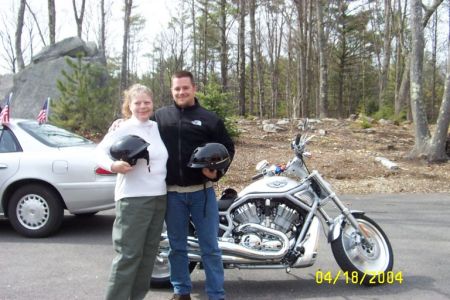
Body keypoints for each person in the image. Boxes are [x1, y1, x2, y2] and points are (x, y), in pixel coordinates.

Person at [155, 71, 234, 300]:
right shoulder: (159, 118)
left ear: (194, 88)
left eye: (185, 88)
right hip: (172, 195)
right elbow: (139, 130)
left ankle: (216, 295)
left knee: (210, 248)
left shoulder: (209, 119)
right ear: (172, 90)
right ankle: (181, 291)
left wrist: (217, 172)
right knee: (177, 247)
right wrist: (122, 122)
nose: (181, 92)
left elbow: (228, 148)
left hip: (202, 193)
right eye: (177, 88)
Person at [96, 84, 168, 300]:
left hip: (159, 197)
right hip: (133, 199)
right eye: (137, 103)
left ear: (153, 104)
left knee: (148, 257)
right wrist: (113, 166)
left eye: (147, 102)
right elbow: (99, 153)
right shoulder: (123, 127)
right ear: (129, 105)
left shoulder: (157, 127)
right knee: (128, 256)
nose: (143, 106)